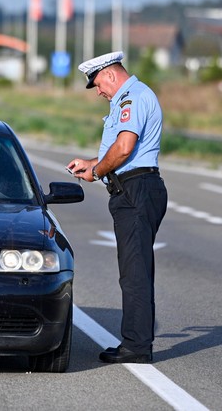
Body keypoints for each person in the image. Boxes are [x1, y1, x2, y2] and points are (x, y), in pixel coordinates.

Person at [66, 51, 168, 364]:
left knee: (134, 273)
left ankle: (136, 347)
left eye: (98, 83)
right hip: (135, 187)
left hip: (136, 190)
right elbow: (122, 152)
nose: (98, 91)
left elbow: (123, 149)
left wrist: (97, 172)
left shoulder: (131, 98)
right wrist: (91, 163)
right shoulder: (128, 98)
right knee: (134, 271)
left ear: (110, 74)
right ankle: (135, 342)